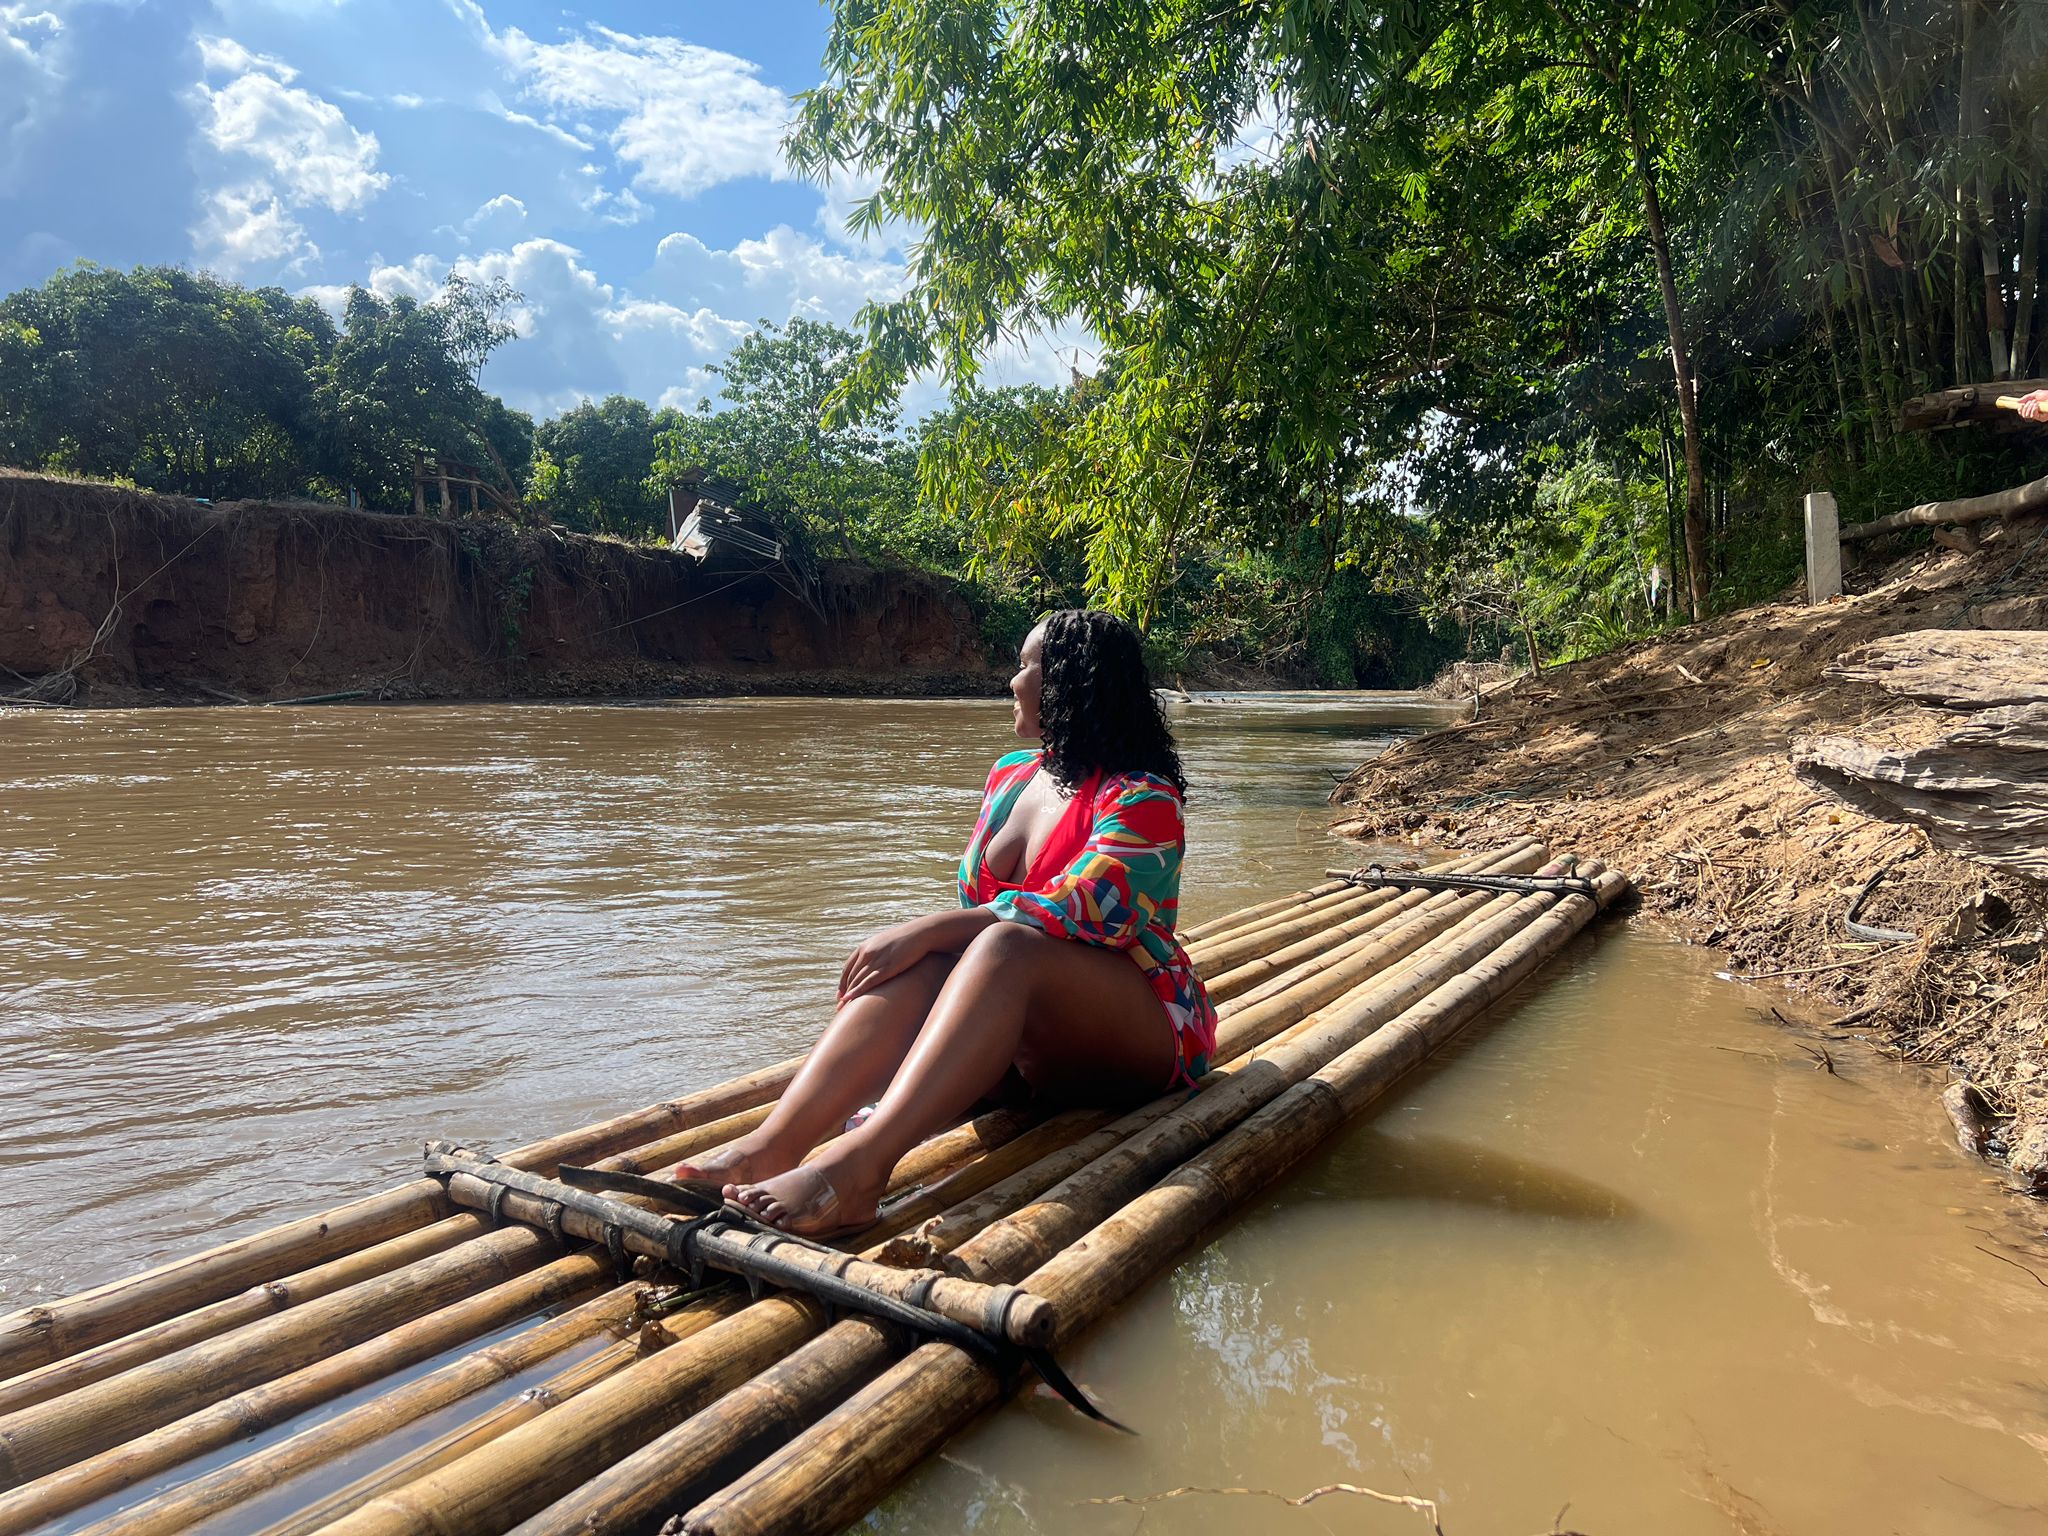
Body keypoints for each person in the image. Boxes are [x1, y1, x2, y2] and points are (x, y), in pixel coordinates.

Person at [677, 608, 1217, 1238]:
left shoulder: (1143, 796)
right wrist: (929, 943)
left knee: (1001, 946)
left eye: (1027, 666)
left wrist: (930, 927)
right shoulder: (1011, 777)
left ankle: (857, 1171)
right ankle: (769, 1146)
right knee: (931, 960)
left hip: (1141, 1034)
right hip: (1022, 1055)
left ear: (1074, 682)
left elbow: (1092, 909)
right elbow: (974, 919)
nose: (1013, 682)